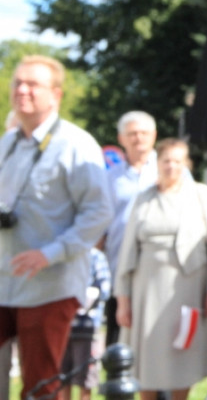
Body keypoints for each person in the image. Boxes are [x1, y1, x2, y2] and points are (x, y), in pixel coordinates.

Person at [0, 56, 112, 400]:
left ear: (56, 95)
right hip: (4, 278)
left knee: (40, 385)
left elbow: (99, 213)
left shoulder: (77, 145)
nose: (22, 90)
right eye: (18, 82)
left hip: (49, 285)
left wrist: (50, 254)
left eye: (33, 84)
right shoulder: (7, 143)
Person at [114, 138, 207, 400]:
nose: (171, 167)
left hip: (186, 290)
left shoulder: (201, 195)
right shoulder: (144, 199)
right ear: (157, 164)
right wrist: (123, 299)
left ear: (186, 164)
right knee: (147, 357)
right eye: (166, 161)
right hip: (147, 291)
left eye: (177, 161)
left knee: (182, 354)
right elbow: (127, 251)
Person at [102, 110, 158, 347]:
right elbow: (101, 224)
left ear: (154, 136)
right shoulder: (108, 178)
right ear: (122, 138)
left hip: (156, 270)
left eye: (144, 133)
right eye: (132, 134)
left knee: (156, 334)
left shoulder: (171, 171)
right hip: (118, 269)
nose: (138, 138)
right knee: (118, 337)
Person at [57, 246, 110, 400]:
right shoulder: (62, 254)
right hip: (62, 327)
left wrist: (86, 297)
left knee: (85, 379)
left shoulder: (96, 257)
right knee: (62, 377)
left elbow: (105, 289)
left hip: (87, 328)